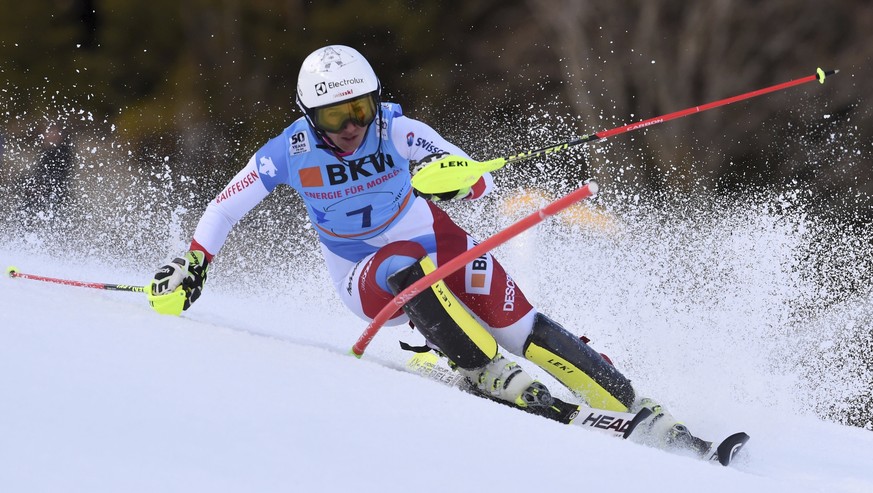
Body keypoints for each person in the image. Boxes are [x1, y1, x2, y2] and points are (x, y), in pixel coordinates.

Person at [149, 45, 698, 449]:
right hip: (362, 272)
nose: (351, 128)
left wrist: (457, 179)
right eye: (335, 118)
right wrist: (196, 262)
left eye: (360, 110)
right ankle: (483, 369)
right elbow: (225, 205)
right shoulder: (287, 152)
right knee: (404, 264)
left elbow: (479, 183)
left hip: (432, 233)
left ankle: (630, 402)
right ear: (308, 116)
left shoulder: (397, 130)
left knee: (516, 322)